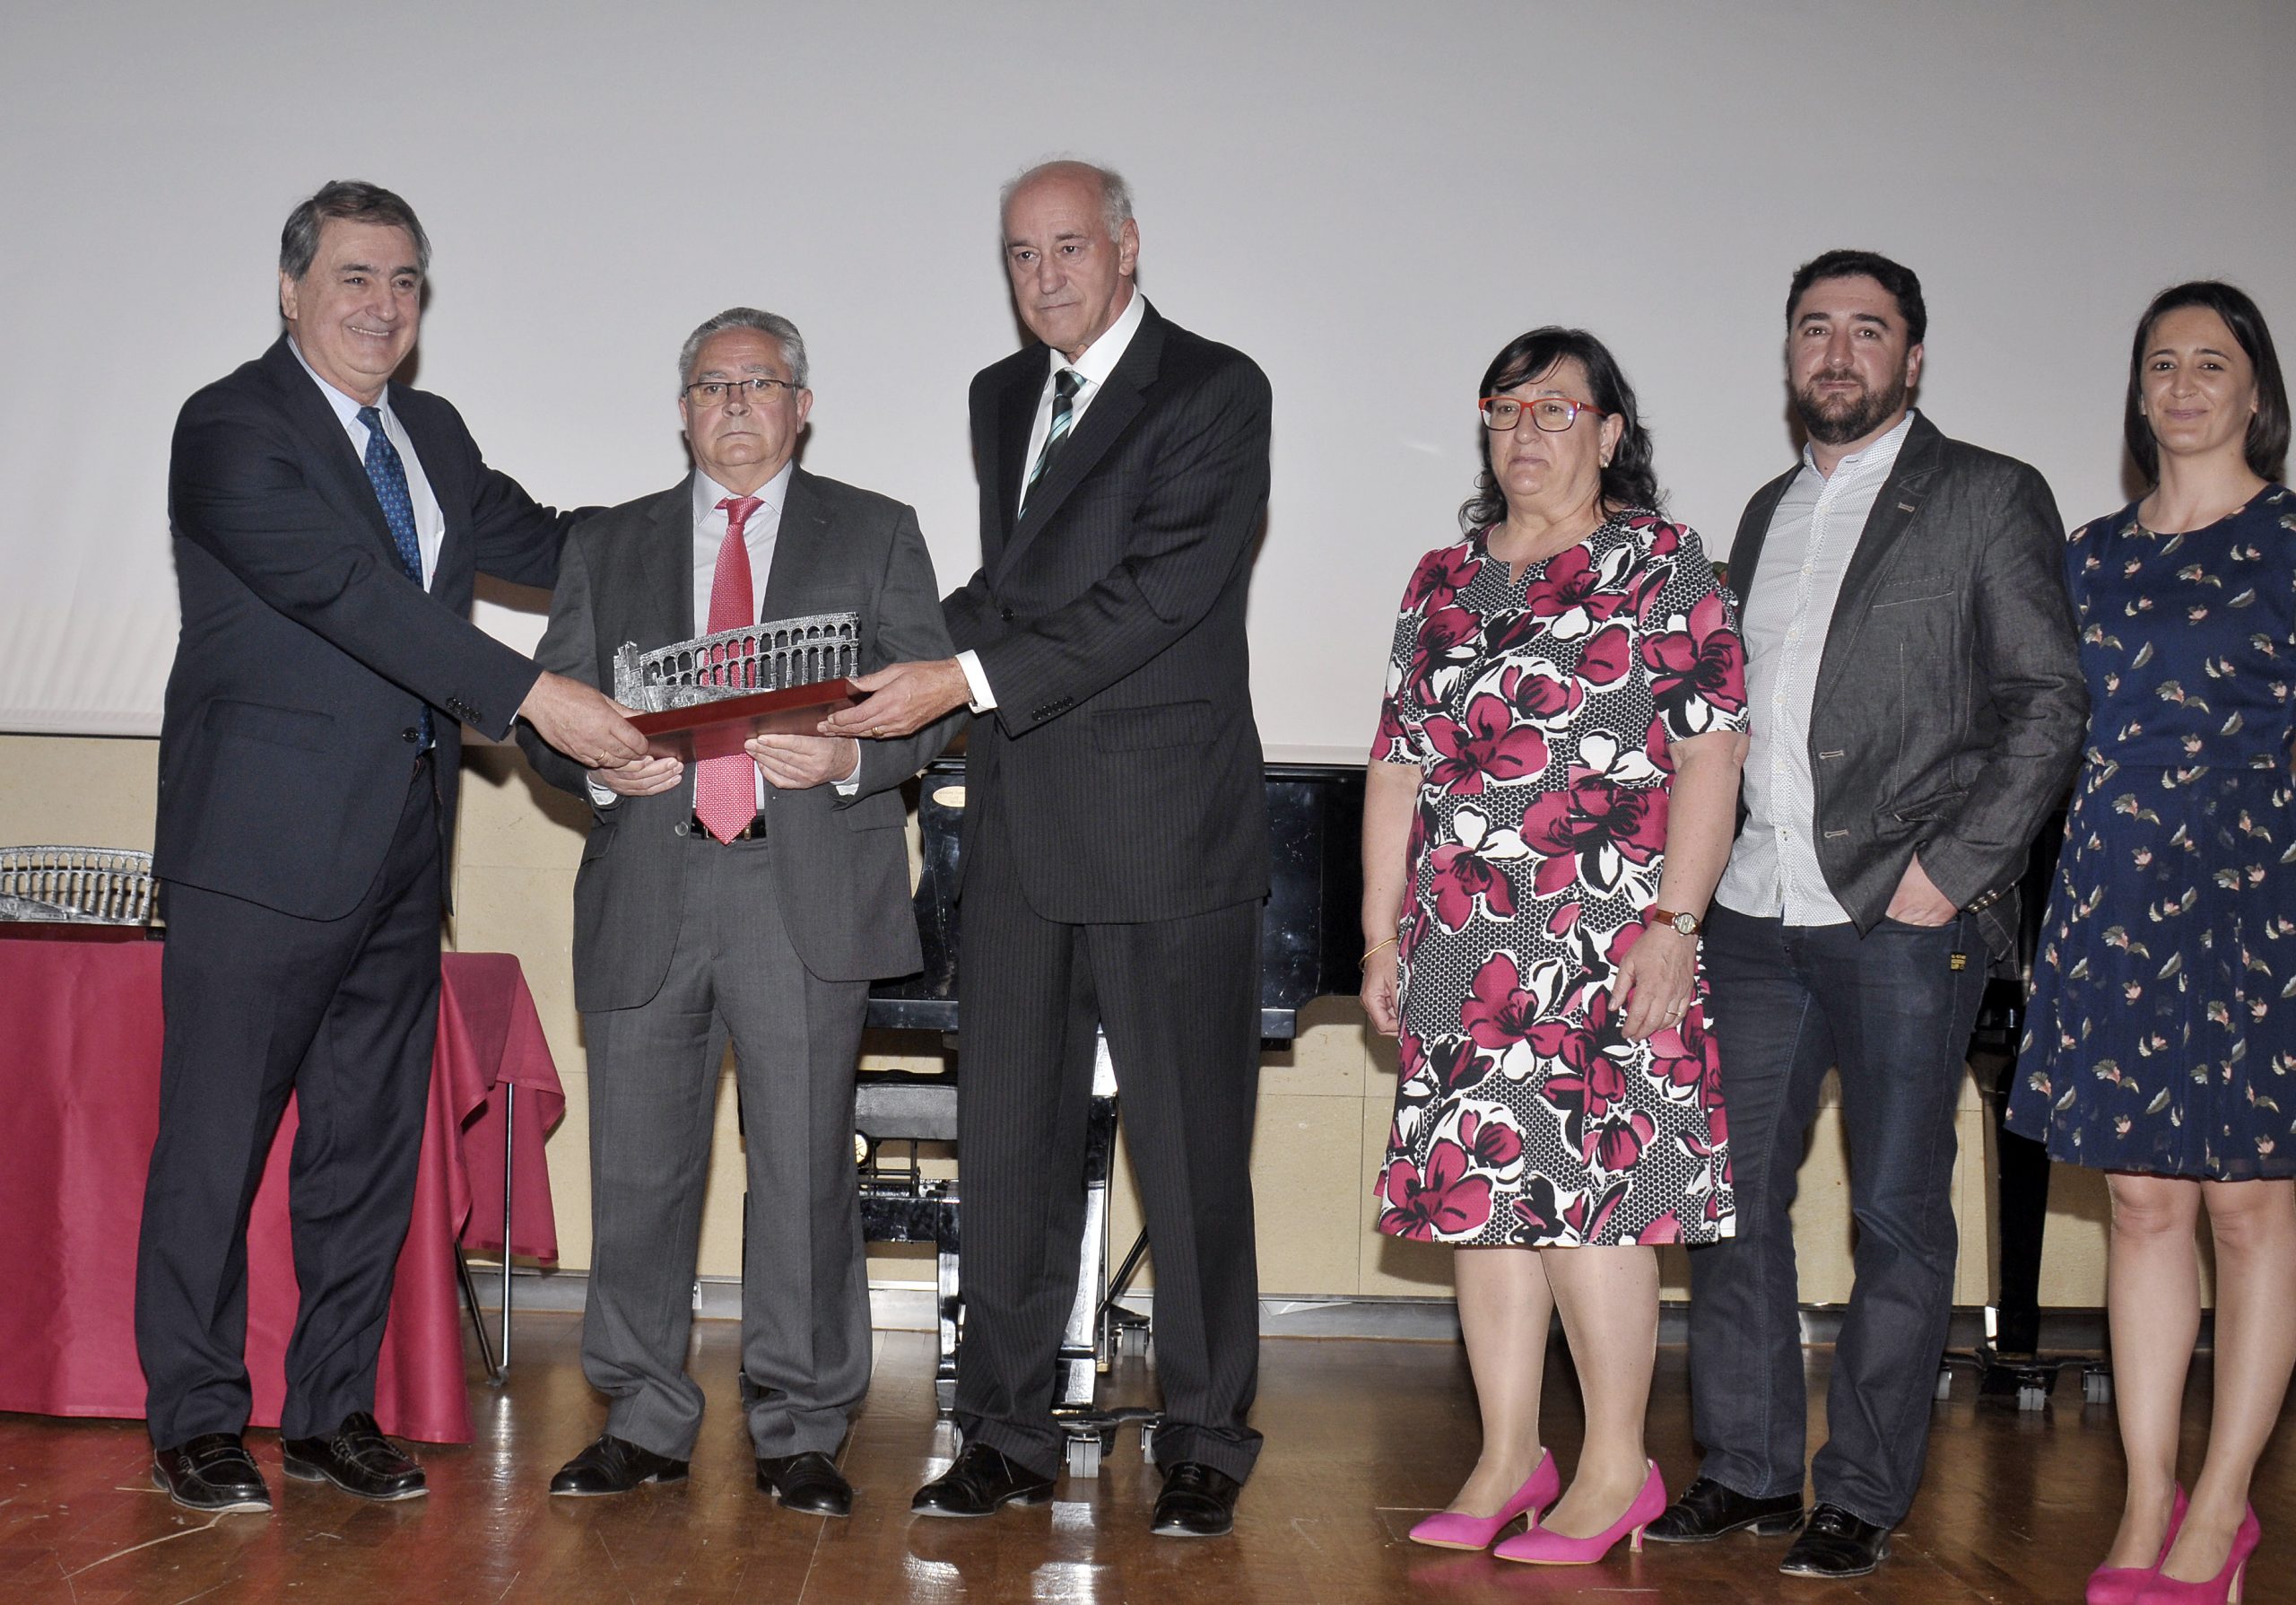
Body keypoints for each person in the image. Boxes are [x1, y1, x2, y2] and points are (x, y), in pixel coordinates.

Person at [139, 180, 645, 1513]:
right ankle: (195, 1418)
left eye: (406, 281)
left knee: (363, 1151)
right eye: (355, 277)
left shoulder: (432, 430)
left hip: (407, 845)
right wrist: (532, 696)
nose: (383, 304)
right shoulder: (229, 426)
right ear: (291, 289)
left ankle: (331, 1412)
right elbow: (349, 596)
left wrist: (714, 522)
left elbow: (552, 544)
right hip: (258, 851)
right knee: (214, 1147)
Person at [824, 160, 1273, 1537]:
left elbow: (1158, 594)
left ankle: (1204, 1437)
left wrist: (955, 678)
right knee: (1009, 1143)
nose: (1046, 276)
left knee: (1188, 1154)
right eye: (1022, 254)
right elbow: (1012, 592)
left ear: (1128, 247)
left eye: (1070, 247)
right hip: (1020, 820)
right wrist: (863, 661)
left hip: (1166, 829)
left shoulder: (1215, 389)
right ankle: (1005, 1432)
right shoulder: (1002, 394)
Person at [1648, 249, 2087, 1577]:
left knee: (1897, 1211)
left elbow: (2048, 702)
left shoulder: (1988, 495)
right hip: (1752, 912)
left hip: (1903, 911)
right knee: (1729, 1200)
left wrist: (1953, 870)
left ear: (1913, 356)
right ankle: (1747, 1466)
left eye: (1867, 330)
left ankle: (1863, 1491)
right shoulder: (1766, 508)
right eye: (1814, 329)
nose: (1837, 352)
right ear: (1790, 352)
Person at [515, 308, 959, 1516]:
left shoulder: (876, 532)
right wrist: (600, 771)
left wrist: (853, 761)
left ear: (801, 407)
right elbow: (547, 718)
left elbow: (932, 704)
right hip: (650, 886)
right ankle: (642, 1417)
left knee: (806, 1170)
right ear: (682, 411)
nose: (737, 404)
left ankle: (802, 1426)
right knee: (637, 1170)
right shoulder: (608, 543)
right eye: (713, 385)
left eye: (760, 383)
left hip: (798, 888)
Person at [1361, 327, 1749, 1566]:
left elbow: (1712, 753)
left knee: (1595, 1208)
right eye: (1506, 408)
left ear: (1610, 432)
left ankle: (1615, 1466)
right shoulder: (1441, 579)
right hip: (1463, 935)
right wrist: (1381, 929)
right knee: (1482, 1206)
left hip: (1607, 935)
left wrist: (1677, 923)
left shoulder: (1663, 565)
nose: (1526, 431)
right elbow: (1398, 763)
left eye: (1556, 409)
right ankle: (1506, 1456)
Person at [2006, 281, 2296, 1605]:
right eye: (2162, 363)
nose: (2182, 384)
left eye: (2211, 362)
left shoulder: (2290, 539)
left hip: (2260, 895)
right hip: (2115, 893)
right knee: (2140, 1203)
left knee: (2248, 1207)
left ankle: (2222, 1505)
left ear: (2257, 391)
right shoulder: (2089, 554)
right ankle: (2145, 1496)